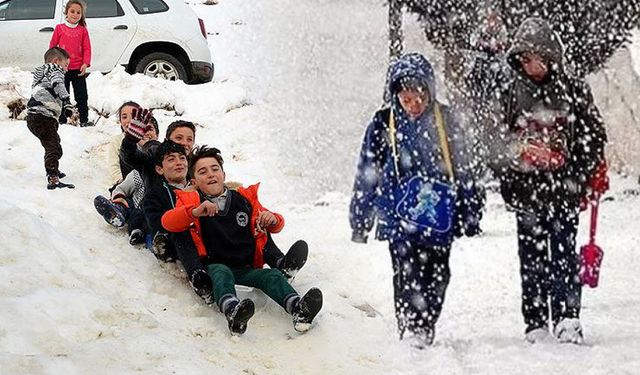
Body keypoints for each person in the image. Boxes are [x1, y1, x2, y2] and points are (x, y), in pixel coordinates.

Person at [486, 18, 608, 344]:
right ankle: (536, 320)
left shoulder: (573, 90)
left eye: (537, 57)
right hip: (527, 192)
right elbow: (493, 142)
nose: (531, 65)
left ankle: (569, 317)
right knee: (532, 258)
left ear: (551, 56)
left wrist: (578, 172)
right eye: (525, 59)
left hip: (564, 190)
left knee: (564, 255)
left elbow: (593, 136)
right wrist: (518, 157)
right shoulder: (508, 93)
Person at [349, 53, 483, 348]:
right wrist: (360, 219)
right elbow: (367, 171)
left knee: (438, 273)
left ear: (429, 93)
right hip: (397, 214)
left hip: (439, 215)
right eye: (406, 99)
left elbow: (465, 167)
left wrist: (471, 210)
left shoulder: (446, 120)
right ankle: (410, 324)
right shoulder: (384, 122)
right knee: (405, 270)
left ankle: (426, 321)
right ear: (396, 95)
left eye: (419, 98)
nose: (413, 105)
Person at [160, 146, 323, 335]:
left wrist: (272, 218)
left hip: (246, 267)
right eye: (202, 172)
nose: (211, 175)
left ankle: (298, 309)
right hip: (216, 265)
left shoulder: (243, 198)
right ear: (194, 181)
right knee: (221, 274)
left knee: (272, 276)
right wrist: (194, 212)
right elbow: (168, 222)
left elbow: (277, 224)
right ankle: (233, 312)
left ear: (223, 174)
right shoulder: (192, 201)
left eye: (215, 169)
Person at [94, 118, 159, 245]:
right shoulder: (137, 169)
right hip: (137, 201)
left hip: (155, 207)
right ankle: (119, 213)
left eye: (150, 129)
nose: (145, 133)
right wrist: (119, 196)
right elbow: (125, 157)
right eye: (142, 130)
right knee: (133, 209)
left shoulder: (170, 163)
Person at [26, 47, 75, 190]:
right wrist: (66, 101)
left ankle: (54, 169)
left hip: (35, 117)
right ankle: (53, 177)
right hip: (43, 117)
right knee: (52, 147)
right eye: (66, 65)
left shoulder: (40, 74)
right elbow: (58, 84)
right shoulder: (55, 69)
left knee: (55, 146)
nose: (66, 70)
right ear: (55, 61)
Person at [49, 0, 93, 127]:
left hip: (78, 69)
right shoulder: (59, 28)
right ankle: (62, 120)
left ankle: (84, 120)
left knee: (82, 96)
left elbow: (87, 48)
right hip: (62, 70)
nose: (75, 14)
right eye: (72, 11)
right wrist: (54, 64)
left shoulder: (82, 30)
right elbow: (53, 47)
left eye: (78, 12)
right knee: (62, 95)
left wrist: (86, 63)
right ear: (66, 12)